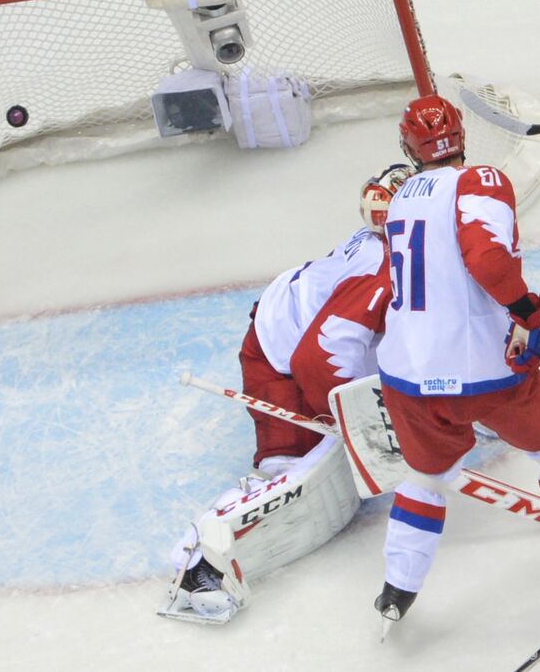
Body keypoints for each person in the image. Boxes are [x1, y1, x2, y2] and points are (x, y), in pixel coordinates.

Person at [373, 93, 540, 632]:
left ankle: (398, 590)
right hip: (481, 374)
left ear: (409, 147)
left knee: (424, 478)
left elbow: (444, 289)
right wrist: (535, 319)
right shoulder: (478, 180)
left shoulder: (398, 200)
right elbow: (488, 262)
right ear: (460, 138)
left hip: (406, 377)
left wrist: (531, 323)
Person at [159, 162, 413, 624]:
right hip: (279, 360)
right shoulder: (385, 264)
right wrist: (351, 426)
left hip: (303, 336)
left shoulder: (394, 247)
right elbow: (318, 358)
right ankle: (199, 564)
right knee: (288, 475)